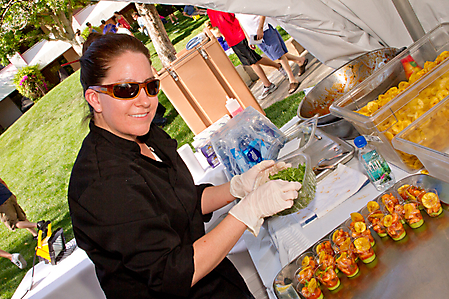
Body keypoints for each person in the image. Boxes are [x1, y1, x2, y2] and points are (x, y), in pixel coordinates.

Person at [68, 33, 301, 299]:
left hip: (218, 283)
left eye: (150, 86)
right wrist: (249, 210)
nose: (145, 101)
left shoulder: (144, 133)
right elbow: (172, 274)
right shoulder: (101, 186)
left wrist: (238, 187)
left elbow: (182, 201)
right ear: (95, 98)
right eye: (126, 89)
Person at [207, 9, 286, 100]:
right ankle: (278, 67)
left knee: (252, 62)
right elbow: (218, 27)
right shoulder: (210, 10)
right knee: (253, 60)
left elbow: (238, 18)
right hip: (232, 40)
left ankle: (268, 84)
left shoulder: (224, 5)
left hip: (240, 35)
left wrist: (247, 36)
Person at [236, 14, 309, 94]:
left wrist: (260, 29)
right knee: (276, 55)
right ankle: (300, 60)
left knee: (279, 55)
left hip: (265, 29)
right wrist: (248, 38)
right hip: (254, 35)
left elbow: (261, 12)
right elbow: (241, 22)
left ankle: (293, 80)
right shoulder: (233, 6)